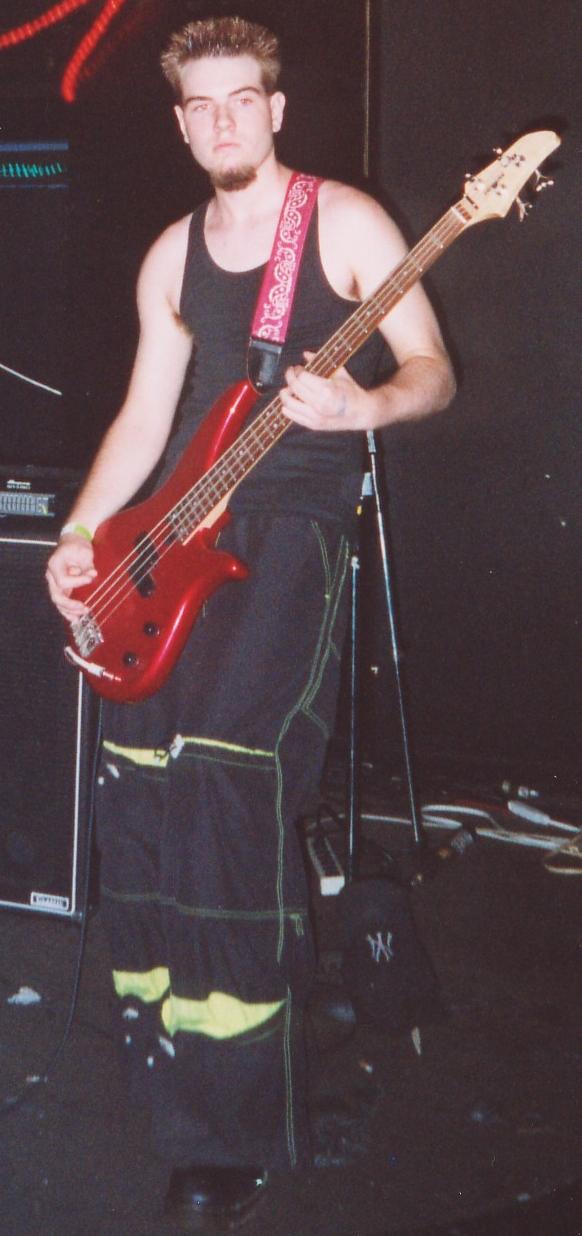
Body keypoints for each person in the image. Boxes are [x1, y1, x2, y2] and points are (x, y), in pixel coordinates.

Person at [46, 15, 455, 1232]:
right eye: (202, 106)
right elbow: (144, 418)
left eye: (243, 100)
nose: (223, 121)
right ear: (181, 124)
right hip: (174, 540)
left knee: (228, 781)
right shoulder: (171, 254)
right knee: (140, 779)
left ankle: (233, 1134)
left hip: (290, 538)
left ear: (276, 110)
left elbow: (434, 369)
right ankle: (170, 1056)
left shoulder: (345, 222)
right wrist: (83, 535)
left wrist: (361, 407)